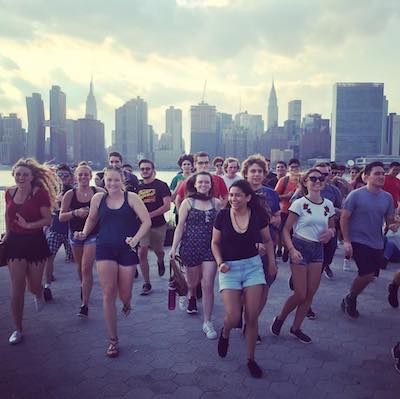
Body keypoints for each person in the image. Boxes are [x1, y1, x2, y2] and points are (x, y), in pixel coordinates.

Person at [74, 166, 151, 357]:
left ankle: (127, 302)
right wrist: (84, 233)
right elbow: (92, 219)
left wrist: (135, 239)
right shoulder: (98, 199)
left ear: (122, 181)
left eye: (116, 180)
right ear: (103, 181)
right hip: (104, 248)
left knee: (124, 294)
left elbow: (146, 221)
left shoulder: (131, 198)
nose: (112, 183)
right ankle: (113, 341)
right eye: (109, 180)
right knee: (108, 293)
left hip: (126, 250)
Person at [212, 180, 277, 378]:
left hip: (252, 267)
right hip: (229, 268)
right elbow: (215, 243)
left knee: (251, 316)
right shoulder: (222, 215)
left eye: (238, 195)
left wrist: (272, 263)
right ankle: (225, 332)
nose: (233, 199)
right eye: (231, 195)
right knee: (233, 316)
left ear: (248, 197)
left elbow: (267, 239)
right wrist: (219, 262)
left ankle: (251, 359)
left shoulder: (257, 215)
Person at [271, 169, 335, 344]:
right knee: (300, 293)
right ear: (305, 182)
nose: (317, 181)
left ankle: (296, 328)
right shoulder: (299, 203)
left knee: (310, 294)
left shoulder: (328, 204)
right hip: (300, 247)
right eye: (312, 178)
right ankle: (281, 317)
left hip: (318, 250)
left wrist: (330, 232)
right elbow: (285, 229)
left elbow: (332, 227)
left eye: (320, 178)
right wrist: (291, 249)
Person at [3, 158, 58, 345]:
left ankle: (39, 292)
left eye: (25, 174)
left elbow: (47, 220)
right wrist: (7, 235)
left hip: (35, 242)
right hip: (15, 244)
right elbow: (7, 215)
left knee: (32, 286)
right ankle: (18, 329)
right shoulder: (9, 192)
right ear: (14, 175)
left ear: (32, 176)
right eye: (18, 174)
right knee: (16, 288)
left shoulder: (39, 193)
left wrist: (28, 225)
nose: (21, 177)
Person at [340, 162, 398, 319]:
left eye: (382, 173)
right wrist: (346, 241)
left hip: (377, 242)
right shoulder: (356, 195)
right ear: (366, 177)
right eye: (377, 173)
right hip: (357, 240)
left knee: (371, 276)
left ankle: (350, 296)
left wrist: (393, 224)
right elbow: (344, 218)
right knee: (366, 274)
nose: (381, 176)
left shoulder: (387, 198)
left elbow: (389, 219)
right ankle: (350, 299)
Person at [170, 172, 220, 339]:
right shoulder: (187, 202)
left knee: (207, 284)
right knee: (192, 282)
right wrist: (174, 248)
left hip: (210, 248)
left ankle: (207, 322)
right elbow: (179, 226)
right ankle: (190, 294)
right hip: (190, 246)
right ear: (195, 184)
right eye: (201, 182)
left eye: (207, 182)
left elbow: (222, 228)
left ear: (211, 185)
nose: (204, 185)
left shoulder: (217, 203)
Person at [242, 154, 280, 341]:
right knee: (246, 290)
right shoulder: (239, 192)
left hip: (267, 247)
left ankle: (252, 323)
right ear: (246, 174)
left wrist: (271, 220)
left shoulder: (271, 193)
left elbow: (277, 217)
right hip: (243, 249)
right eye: (253, 171)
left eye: (260, 171)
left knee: (265, 287)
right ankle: (246, 319)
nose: (256, 175)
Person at [60, 163, 105, 317]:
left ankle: (84, 305)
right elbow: (61, 216)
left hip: (93, 235)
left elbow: (110, 209)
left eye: (86, 174)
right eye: (80, 174)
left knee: (86, 268)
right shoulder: (70, 194)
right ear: (75, 177)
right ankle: (84, 285)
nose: (83, 177)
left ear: (91, 177)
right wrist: (75, 212)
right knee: (80, 267)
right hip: (75, 235)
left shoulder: (98, 192)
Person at [137, 159, 171, 295]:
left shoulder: (162, 185)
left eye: (147, 168)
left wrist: (149, 215)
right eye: (143, 169)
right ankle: (147, 283)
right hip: (142, 226)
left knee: (159, 250)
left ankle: (160, 260)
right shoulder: (137, 187)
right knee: (142, 252)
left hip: (158, 225)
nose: (145, 171)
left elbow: (167, 206)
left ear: (153, 170)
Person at [44, 164, 74, 300]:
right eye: (59, 175)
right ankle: (47, 286)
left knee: (77, 261)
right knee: (49, 256)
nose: (62, 178)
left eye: (65, 176)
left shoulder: (75, 192)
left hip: (70, 231)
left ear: (71, 178)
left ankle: (82, 286)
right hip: (55, 229)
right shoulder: (51, 191)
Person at [275, 158, 301, 262]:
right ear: (289, 169)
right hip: (285, 210)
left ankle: (288, 250)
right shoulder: (283, 180)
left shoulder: (304, 180)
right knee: (283, 232)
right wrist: (287, 196)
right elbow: (275, 196)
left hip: (299, 211)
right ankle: (284, 249)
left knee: (293, 233)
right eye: (292, 167)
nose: (294, 169)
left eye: (296, 167)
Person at [170, 154, 194, 225]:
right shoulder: (176, 178)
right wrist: (178, 186)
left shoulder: (196, 178)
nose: (186, 166)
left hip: (193, 210)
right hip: (179, 210)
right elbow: (171, 198)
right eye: (184, 164)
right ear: (181, 166)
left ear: (192, 166)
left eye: (188, 164)